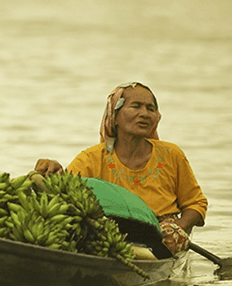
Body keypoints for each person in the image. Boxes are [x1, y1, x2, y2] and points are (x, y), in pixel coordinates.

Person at [34, 82, 207, 255]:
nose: (144, 114)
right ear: (114, 116)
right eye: (136, 106)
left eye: (150, 108)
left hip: (161, 237)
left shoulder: (172, 154)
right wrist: (52, 169)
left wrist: (178, 227)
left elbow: (196, 204)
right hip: (110, 232)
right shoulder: (91, 158)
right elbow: (66, 192)